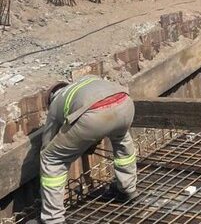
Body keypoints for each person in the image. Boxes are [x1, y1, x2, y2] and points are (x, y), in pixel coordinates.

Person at [39, 76, 137, 224]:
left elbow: (47, 143)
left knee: (51, 159)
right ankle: (127, 189)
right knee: (122, 140)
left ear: (51, 97)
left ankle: (52, 218)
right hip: (125, 103)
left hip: (95, 115)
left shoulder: (56, 103)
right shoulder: (87, 81)